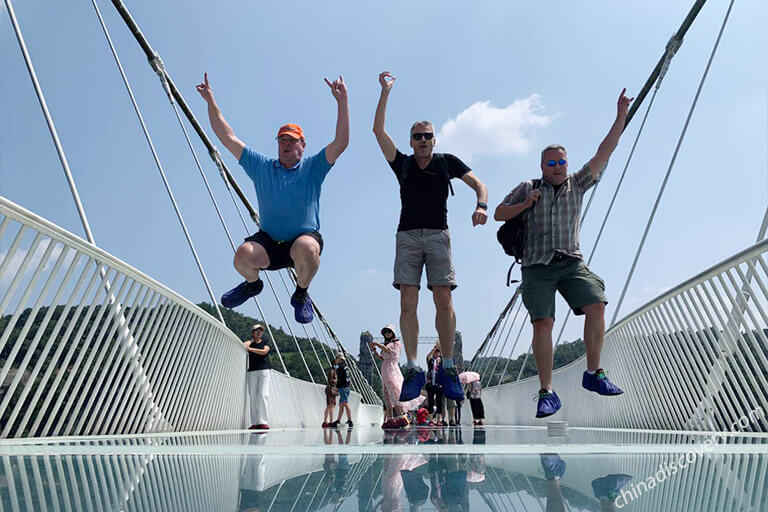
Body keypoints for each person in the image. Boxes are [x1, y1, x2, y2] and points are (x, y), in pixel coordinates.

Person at [494, 89, 632, 418]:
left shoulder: (578, 183)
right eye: (551, 162)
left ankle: (593, 374)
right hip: (536, 266)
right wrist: (527, 204)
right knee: (543, 323)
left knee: (596, 303)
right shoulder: (528, 187)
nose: (557, 166)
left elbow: (605, 150)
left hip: (571, 261)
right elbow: (500, 213)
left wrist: (621, 116)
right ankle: (547, 392)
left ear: (566, 164)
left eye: (561, 162)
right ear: (542, 166)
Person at [373, 71, 489, 404]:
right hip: (407, 236)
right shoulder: (403, 165)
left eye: (427, 136)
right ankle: (412, 368)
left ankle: (449, 366)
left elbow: (480, 185)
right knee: (407, 300)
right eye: (416, 136)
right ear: (410, 141)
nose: (422, 141)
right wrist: (385, 92)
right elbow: (378, 131)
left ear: (435, 140)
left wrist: (481, 206)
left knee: (443, 299)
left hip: (439, 235)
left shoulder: (446, 163)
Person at [196, 73, 349, 323]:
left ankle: (300, 295)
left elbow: (341, 142)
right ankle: (252, 285)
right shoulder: (262, 167)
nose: (286, 144)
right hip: (269, 242)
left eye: (292, 140)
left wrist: (342, 101)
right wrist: (210, 100)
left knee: (307, 248)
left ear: (303, 144)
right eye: (282, 140)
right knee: (242, 255)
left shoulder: (314, 167)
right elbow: (227, 138)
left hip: (303, 240)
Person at [370, 324, 423, 428]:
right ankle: (390, 419)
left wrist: (377, 344)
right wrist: (376, 352)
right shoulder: (387, 344)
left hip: (391, 369)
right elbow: (383, 358)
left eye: (388, 331)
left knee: (394, 392)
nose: (387, 333)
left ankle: (400, 416)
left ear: (393, 332)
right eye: (385, 332)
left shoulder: (396, 343)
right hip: (385, 368)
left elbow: (389, 351)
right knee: (386, 394)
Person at [243, 324, 271, 430]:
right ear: (252, 332)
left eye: (261, 331)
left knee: (263, 395)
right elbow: (244, 345)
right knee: (253, 397)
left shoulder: (265, 342)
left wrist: (250, 349)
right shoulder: (250, 343)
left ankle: (263, 421)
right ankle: (255, 422)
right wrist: (250, 343)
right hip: (252, 371)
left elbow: (264, 351)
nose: (259, 332)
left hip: (264, 370)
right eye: (257, 331)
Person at [329, 353, 353, 427]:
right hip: (346, 387)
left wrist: (337, 387)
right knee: (341, 405)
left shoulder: (341, 368)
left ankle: (350, 420)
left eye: (337, 358)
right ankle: (338, 421)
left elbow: (339, 379)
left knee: (345, 403)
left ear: (340, 359)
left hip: (343, 387)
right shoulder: (345, 367)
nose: (336, 359)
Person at [425, 345, 444, 425]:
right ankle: (431, 420)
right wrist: (434, 349)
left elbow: (445, 358)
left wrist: (440, 348)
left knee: (439, 401)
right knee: (431, 401)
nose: (436, 353)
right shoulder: (431, 361)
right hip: (430, 383)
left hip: (439, 383)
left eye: (437, 352)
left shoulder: (441, 361)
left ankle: (439, 420)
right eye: (435, 352)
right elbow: (428, 357)